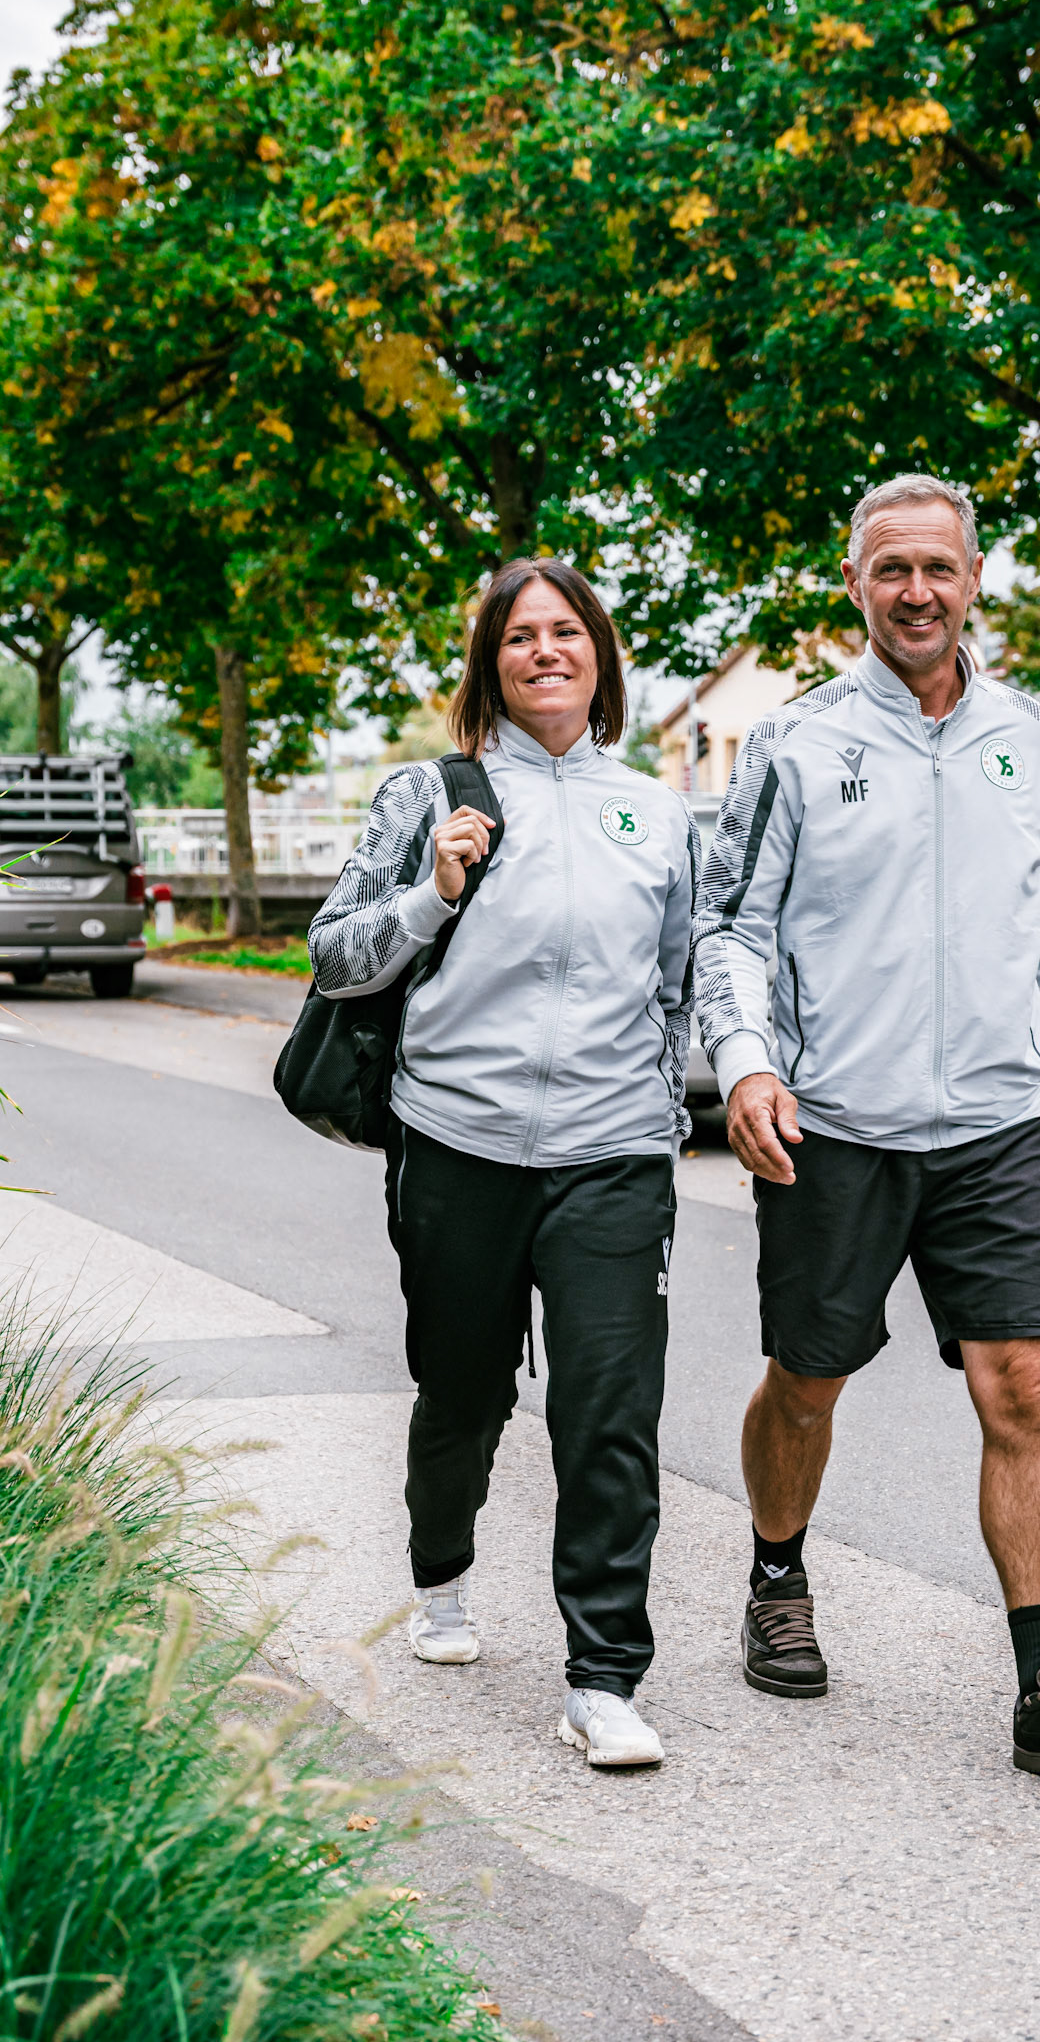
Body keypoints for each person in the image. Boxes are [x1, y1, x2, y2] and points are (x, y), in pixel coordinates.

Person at [693, 473, 1040, 1774]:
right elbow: (731, 925)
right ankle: (778, 1574)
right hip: (835, 1123)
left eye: (937, 568)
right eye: (890, 569)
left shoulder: (1024, 737)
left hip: (996, 1126)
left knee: (1025, 1386)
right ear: (856, 585)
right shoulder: (798, 743)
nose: (916, 591)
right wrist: (744, 1064)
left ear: (973, 578)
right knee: (808, 1378)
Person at [309, 558, 698, 1769]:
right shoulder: (430, 793)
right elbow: (334, 955)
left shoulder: (659, 809)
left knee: (610, 1412)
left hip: (613, 1155)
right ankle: (443, 1576)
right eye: (520, 635)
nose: (545, 650)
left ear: (600, 656)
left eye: (566, 631)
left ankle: (603, 1676)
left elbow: (676, 982)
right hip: (460, 1144)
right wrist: (431, 893)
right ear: (492, 661)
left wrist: (663, 1105)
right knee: (466, 1389)